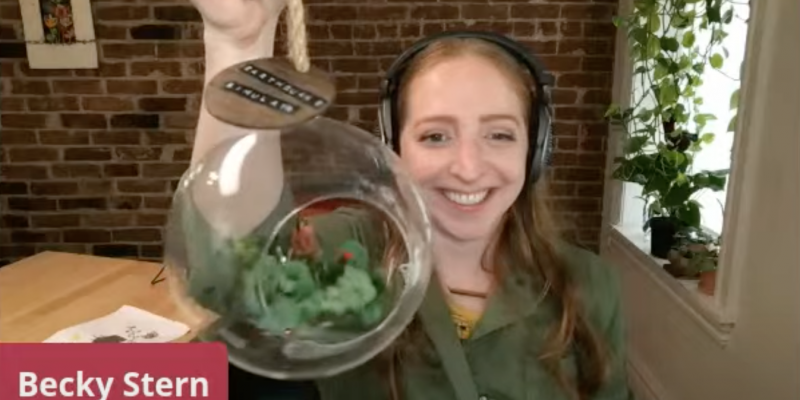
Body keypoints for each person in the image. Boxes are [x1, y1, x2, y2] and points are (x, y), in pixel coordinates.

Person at [188, 0, 634, 399]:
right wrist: (239, 43)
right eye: (435, 136)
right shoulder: (349, 257)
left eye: (499, 134)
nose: (467, 167)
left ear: (534, 149)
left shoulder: (591, 286)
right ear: (395, 147)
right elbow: (229, 272)